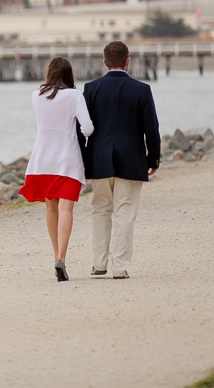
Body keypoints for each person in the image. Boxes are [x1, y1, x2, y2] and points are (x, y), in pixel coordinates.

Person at [81, 41, 160, 280]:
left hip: (99, 159)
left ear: (104, 63)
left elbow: (82, 129)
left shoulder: (91, 89)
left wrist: (84, 160)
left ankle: (99, 263)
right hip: (131, 159)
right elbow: (151, 129)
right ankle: (120, 266)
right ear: (128, 61)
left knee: (100, 210)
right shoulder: (142, 89)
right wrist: (153, 158)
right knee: (125, 212)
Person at [19, 57, 93, 282]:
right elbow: (88, 129)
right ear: (69, 73)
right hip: (66, 161)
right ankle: (62, 257)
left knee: (50, 209)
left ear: (49, 73)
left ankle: (55, 257)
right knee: (66, 210)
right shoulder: (74, 96)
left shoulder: (36, 96)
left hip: (41, 161)